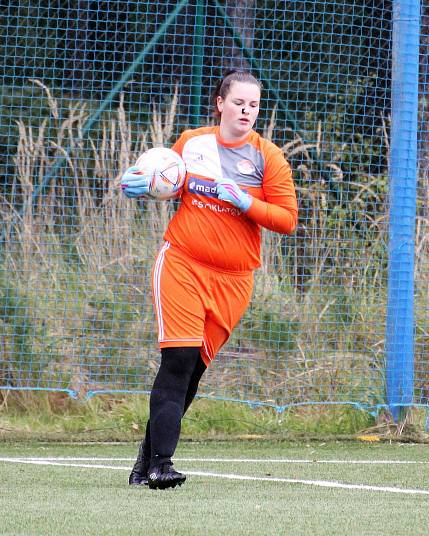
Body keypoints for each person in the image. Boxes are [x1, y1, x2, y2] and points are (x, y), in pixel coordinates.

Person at [119, 69, 298, 490]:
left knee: (193, 372)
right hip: (182, 262)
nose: (246, 111)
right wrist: (142, 185)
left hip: (234, 280)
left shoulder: (268, 158)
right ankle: (163, 464)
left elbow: (288, 219)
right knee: (177, 359)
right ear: (220, 103)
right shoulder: (190, 143)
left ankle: (144, 460)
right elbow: (169, 183)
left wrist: (247, 201)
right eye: (239, 103)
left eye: (254, 105)